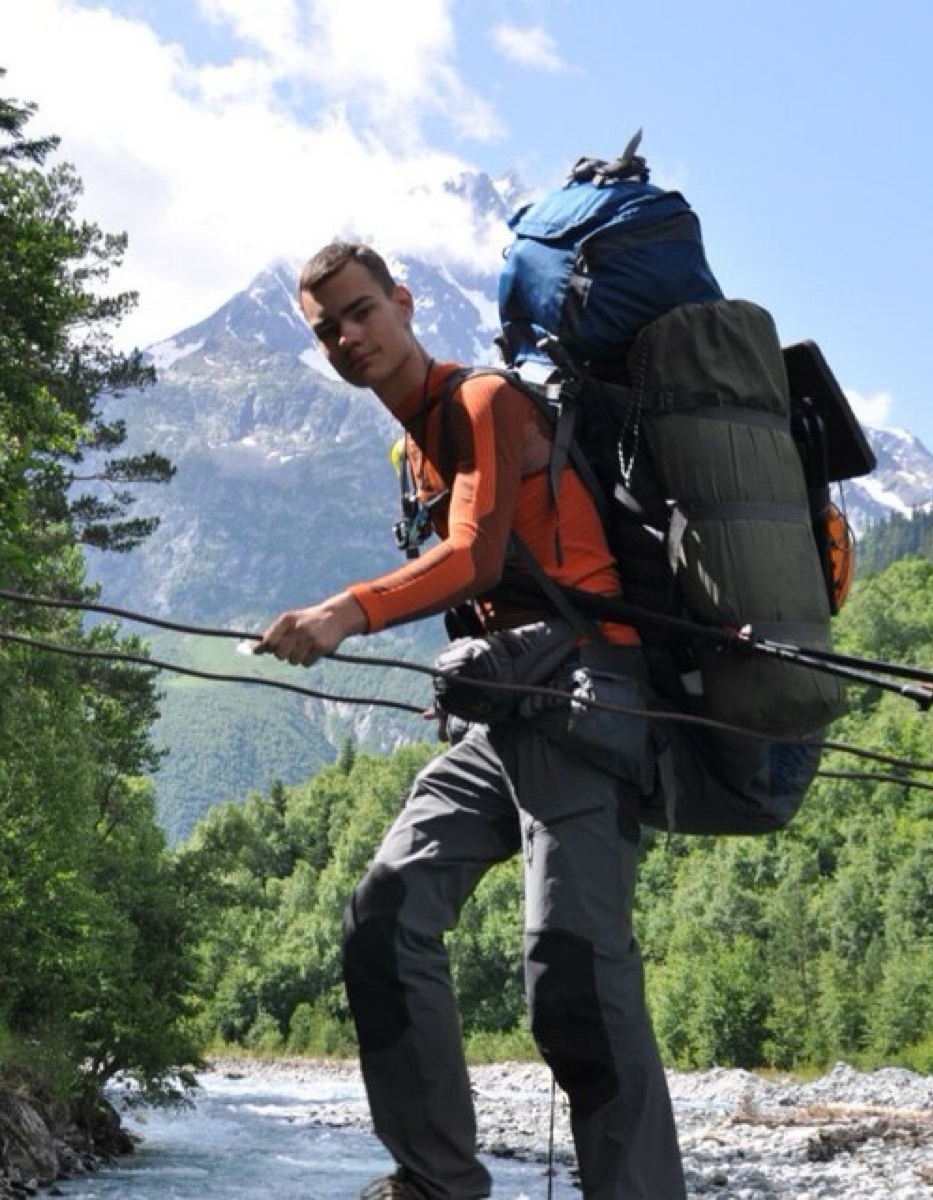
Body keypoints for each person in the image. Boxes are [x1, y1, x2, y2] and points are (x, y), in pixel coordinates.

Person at [254, 240, 689, 1200]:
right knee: (385, 915)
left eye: (362, 311)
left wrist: (345, 610)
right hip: (502, 716)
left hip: (588, 695)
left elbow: (475, 558)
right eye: (327, 328)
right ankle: (438, 1180)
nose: (347, 336)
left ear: (403, 303)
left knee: (572, 969)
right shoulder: (409, 452)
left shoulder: (485, 403)